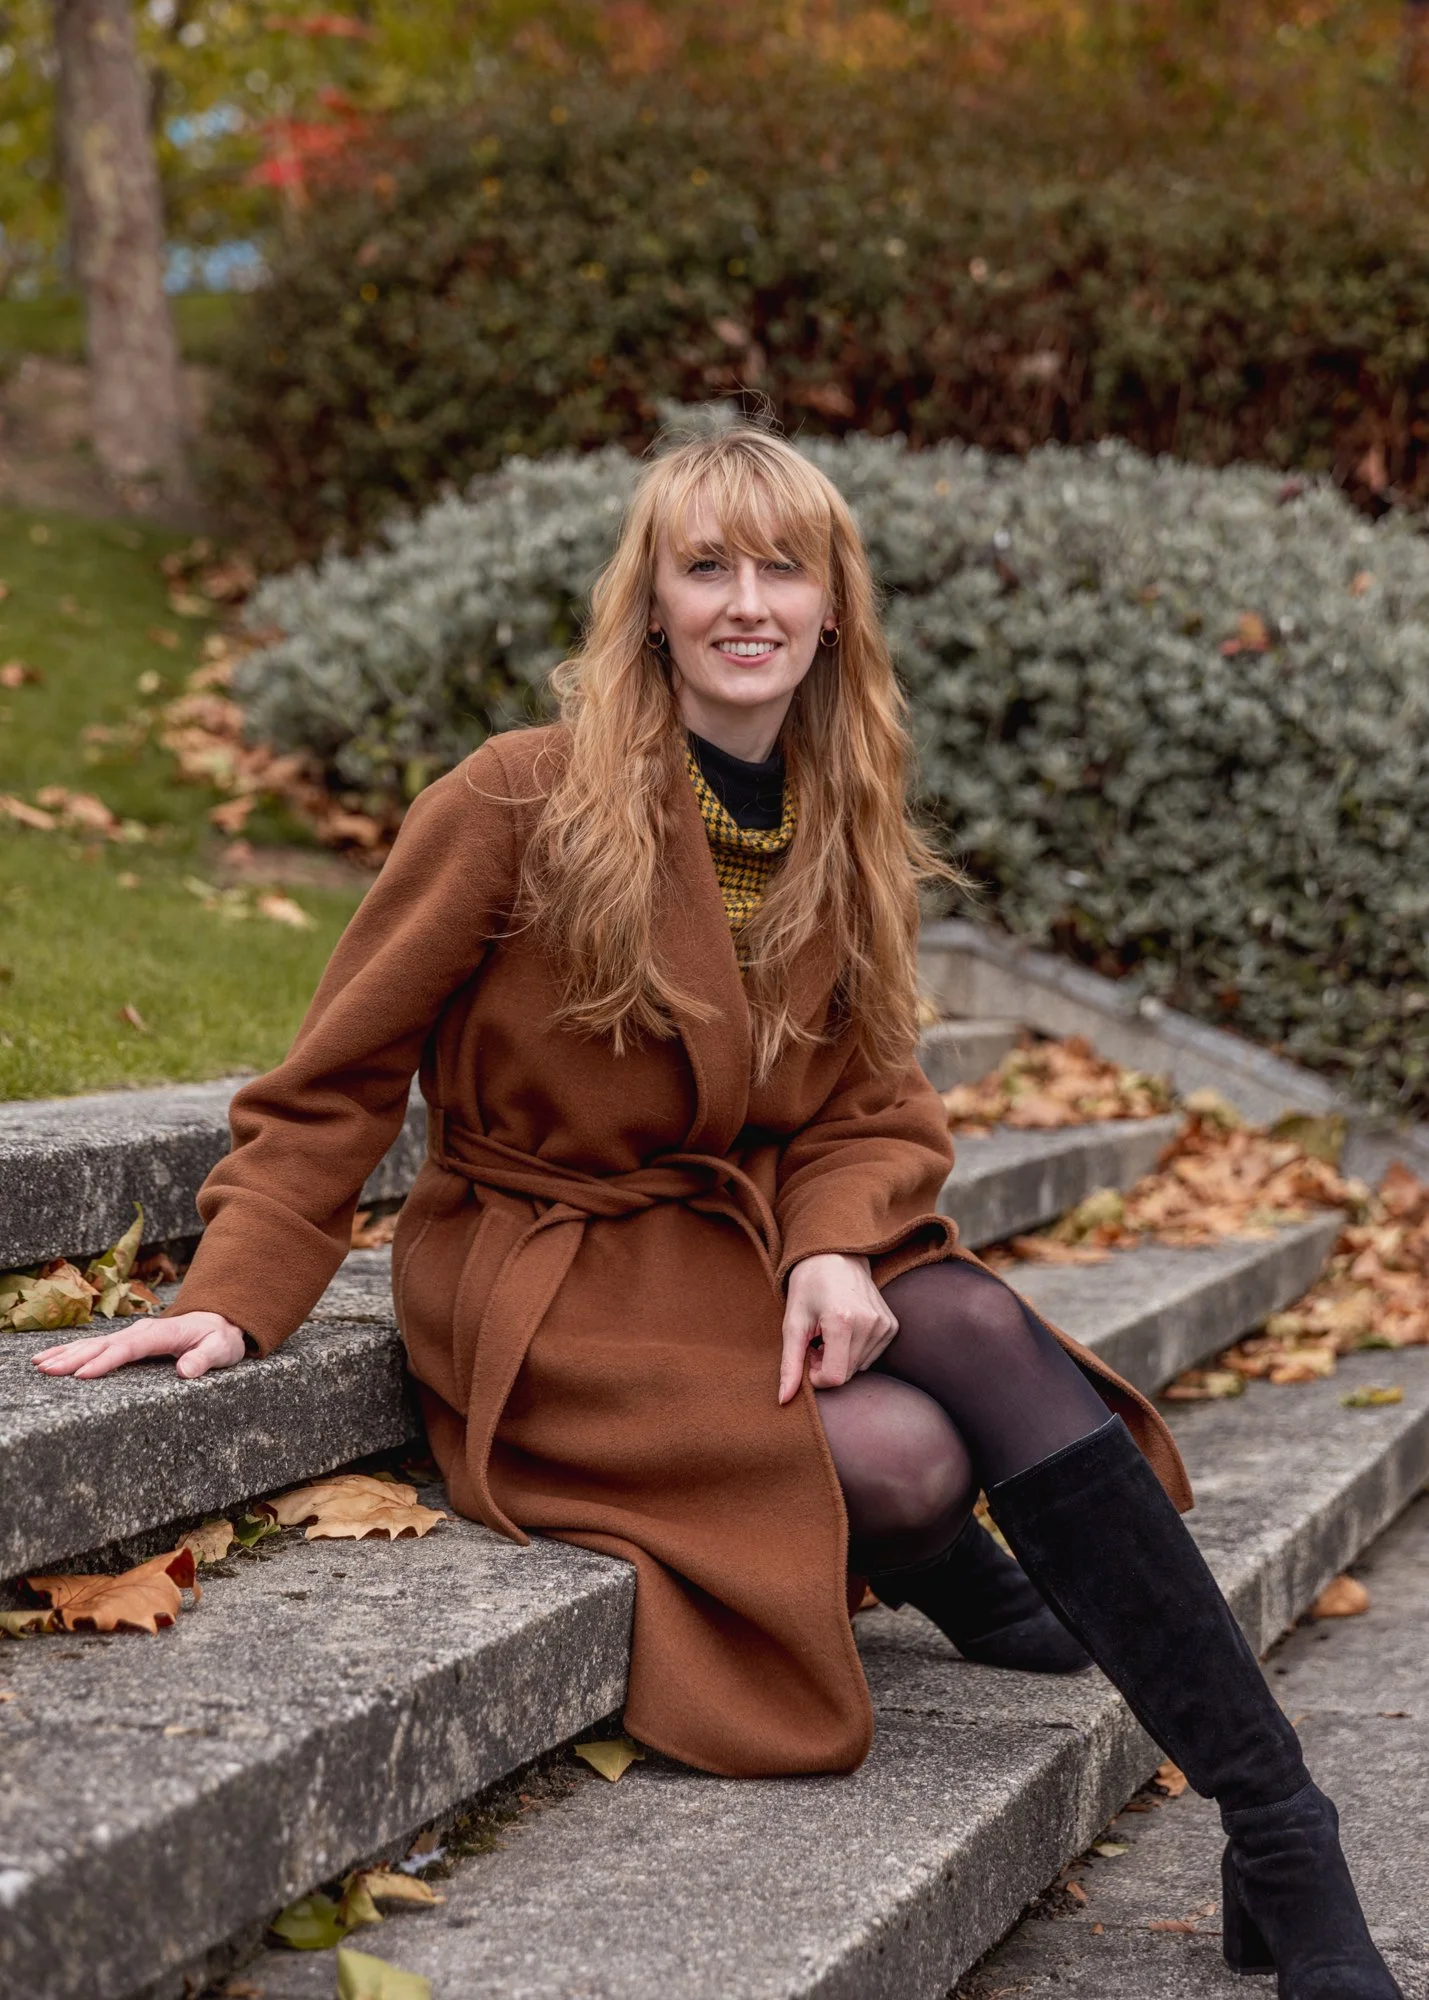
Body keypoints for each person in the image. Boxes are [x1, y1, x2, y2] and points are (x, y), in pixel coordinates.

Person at [35, 425, 1397, 1998]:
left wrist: (830, 1237)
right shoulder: (520, 797)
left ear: (830, 611)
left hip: (733, 1233)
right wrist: (237, 1282)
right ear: (654, 603)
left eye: (782, 569)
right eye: (707, 568)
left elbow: (877, 1101)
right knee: (908, 1454)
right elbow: (340, 1071)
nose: (746, 602)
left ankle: (1281, 1827)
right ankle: (955, 1559)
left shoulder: (836, 807)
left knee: (948, 1308)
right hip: (546, 1273)